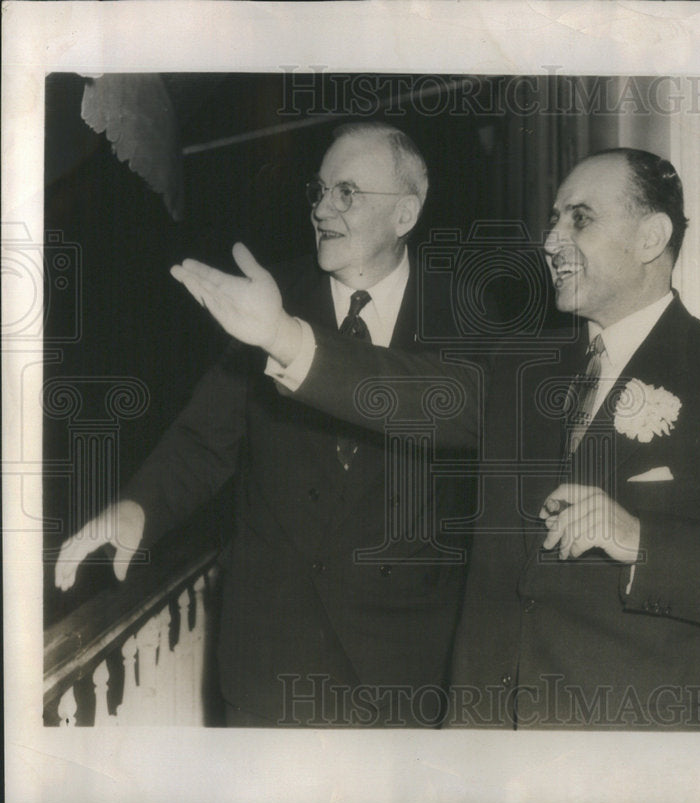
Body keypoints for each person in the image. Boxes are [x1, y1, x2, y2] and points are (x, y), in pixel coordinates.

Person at [174, 147, 700, 730]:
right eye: (553, 218)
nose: (551, 239)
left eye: (580, 219)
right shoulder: (521, 367)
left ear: (651, 236)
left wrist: (640, 540)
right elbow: (406, 389)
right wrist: (284, 336)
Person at [55, 121, 473, 728]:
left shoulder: (464, 318)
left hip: (402, 675)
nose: (322, 209)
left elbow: (457, 425)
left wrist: (285, 339)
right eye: (319, 190)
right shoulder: (271, 299)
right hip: (273, 668)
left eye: (347, 193)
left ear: (405, 213)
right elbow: (204, 441)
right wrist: (139, 507)